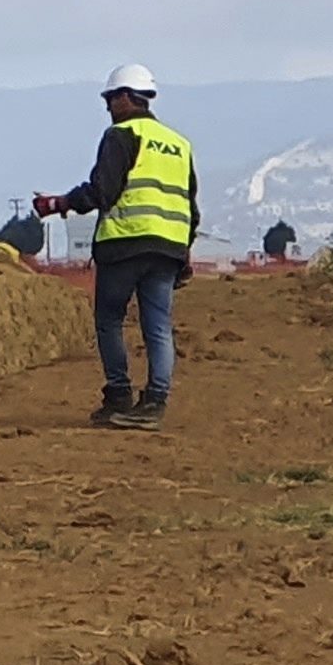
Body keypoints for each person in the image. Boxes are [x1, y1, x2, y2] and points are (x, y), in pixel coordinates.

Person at [33, 62, 198, 429]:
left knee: (109, 320)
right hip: (167, 249)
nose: (108, 106)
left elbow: (103, 191)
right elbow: (191, 204)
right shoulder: (179, 145)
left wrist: (59, 203)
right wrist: (183, 251)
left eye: (110, 98)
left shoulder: (121, 135)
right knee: (158, 326)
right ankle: (154, 403)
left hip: (125, 244)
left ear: (126, 98)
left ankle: (119, 396)